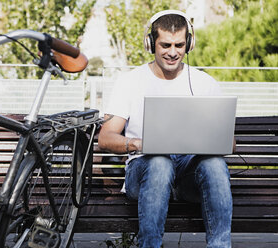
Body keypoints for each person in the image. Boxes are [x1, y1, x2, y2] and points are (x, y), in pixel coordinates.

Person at [98, 10, 233, 248]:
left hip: (189, 175)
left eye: (179, 45)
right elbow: (106, 138)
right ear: (150, 43)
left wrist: (211, 140)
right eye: (165, 45)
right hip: (145, 171)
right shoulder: (130, 81)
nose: (173, 52)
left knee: (214, 163)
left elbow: (230, 143)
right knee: (160, 161)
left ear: (189, 44)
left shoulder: (204, 83)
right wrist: (140, 143)